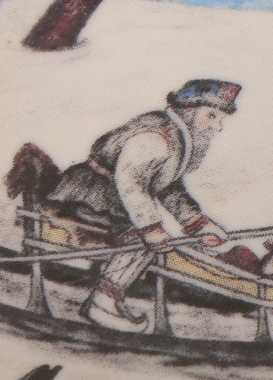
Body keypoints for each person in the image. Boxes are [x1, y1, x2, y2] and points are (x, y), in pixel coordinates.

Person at [47, 79, 240, 330]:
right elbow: (131, 182)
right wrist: (150, 228)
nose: (217, 126)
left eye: (220, 119)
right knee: (140, 241)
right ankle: (102, 304)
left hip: (114, 200)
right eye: (211, 116)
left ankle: (108, 297)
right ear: (189, 110)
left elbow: (167, 186)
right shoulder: (155, 136)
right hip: (89, 197)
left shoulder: (177, 138)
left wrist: (197, 223)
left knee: (149, 238)